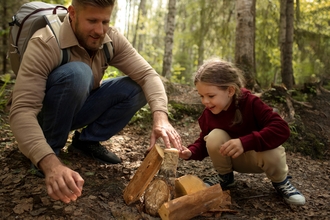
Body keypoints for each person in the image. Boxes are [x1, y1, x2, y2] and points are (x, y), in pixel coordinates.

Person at [9, 0, 183, 204]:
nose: (99, 30)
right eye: (91, 21)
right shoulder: (45, 41)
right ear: (72, 14)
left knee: (136, 87)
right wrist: (50, 165)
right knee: (78, 72)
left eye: (105, 21)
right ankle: (49, 148)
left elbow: (148, 75)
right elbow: (22, 110)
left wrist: (160, 117)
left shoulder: (110, 39)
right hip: (42, 116)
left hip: (76, 106)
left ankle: (86, 142)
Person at [179, 58, 306, 206]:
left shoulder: (251, 103)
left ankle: (281, 182)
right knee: (214, 136)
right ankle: (225, 177)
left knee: (272, 149)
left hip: (258, 158)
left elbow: (281, 128)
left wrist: (244, 142)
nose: (205, 102)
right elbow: (203, 141)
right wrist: (191, 152)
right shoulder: (210, 113)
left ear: (230, 91)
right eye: (202, 96)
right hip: (232, 159)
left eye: (211, 96)